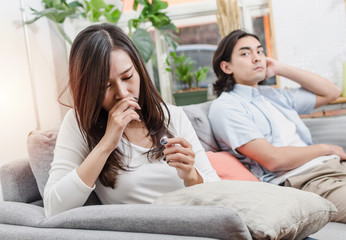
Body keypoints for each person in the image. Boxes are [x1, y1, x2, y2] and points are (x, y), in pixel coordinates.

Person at [44, 23, 220, 217]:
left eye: (127, 76)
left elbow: (218, 193)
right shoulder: (80, 123)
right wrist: (107, 144)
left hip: (198, 224)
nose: (122, 92)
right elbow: (54, 207)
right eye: (106, 85)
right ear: (89, 88)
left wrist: (191, 175)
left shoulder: (171, 116)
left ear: (139, 70)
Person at [208, 29, 346, 226]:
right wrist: (326, 148)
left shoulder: (272, 95)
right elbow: (273, 160)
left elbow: (332, 92)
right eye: (245, 53)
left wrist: (280, 68)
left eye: (260, 52)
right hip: (306, 181)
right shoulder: (226, 107)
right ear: (226, 66)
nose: (256, 58)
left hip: (337, 167)